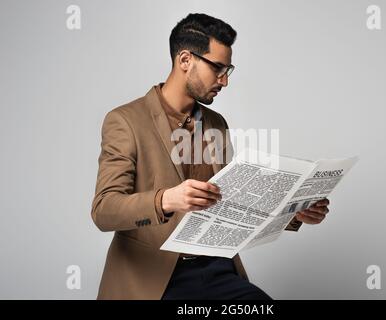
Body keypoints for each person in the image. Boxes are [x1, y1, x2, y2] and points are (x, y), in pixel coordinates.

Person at [91, 13, 330, 300]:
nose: (224, 81)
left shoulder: (216, 123)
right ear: (184, 60)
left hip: (218, 269)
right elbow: (104, 210)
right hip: (156, 278)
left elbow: (233, 203)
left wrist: (294, 213)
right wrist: (166, 199)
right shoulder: (125, 121)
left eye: (228, 70)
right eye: (217, 68)